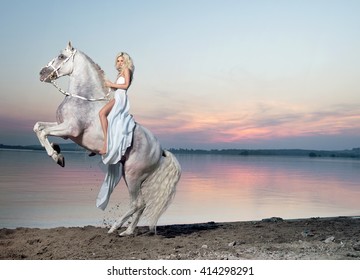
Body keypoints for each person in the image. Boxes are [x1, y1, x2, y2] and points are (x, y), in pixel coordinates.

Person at [99, 52, 135, 158]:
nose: (119, 62)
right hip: (116, 95)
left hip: (121, 97)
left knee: (102, 114)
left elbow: (126, 85)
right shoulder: (119, 73)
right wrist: (107, 84)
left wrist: (111, 84)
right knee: (105, 117)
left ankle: (106, 143)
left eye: (121, 60)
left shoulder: (127, 70)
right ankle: (102, 141)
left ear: (126, 61)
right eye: (118, 61)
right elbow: (116, 87)